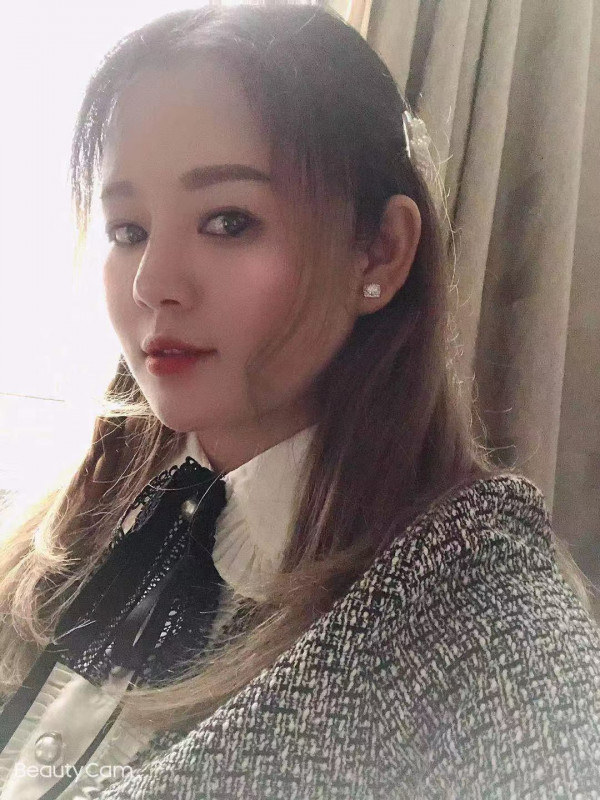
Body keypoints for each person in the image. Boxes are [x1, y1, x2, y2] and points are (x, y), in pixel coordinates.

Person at [0, 5, 599, 799]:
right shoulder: (76, 521)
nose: (152, 283)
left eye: (228, 221)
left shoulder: (479, 607)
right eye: (128, 230)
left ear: (379, 251)